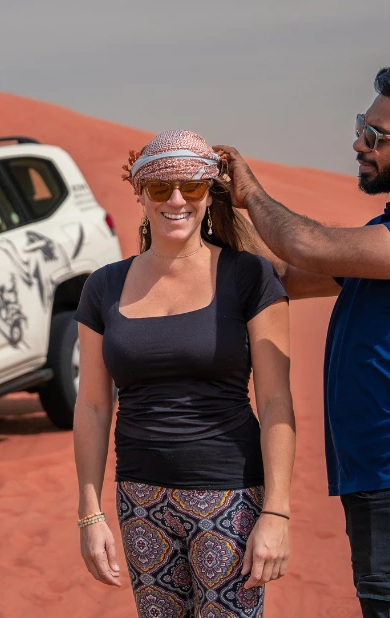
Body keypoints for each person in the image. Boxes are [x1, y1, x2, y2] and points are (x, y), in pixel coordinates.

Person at [213, 66, 390, 617]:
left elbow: (309, 246)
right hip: (378, 467)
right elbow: (290, 275)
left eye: (376, 136)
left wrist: (252, 193)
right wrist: (219, 209)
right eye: (361, 127)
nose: (358, 144)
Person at [73, 129, 296, 618]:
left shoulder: (249, 276)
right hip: (139, 497)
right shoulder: (103, 287)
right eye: (160, 188)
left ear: (209, 193)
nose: (176, 200)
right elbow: (91, 403)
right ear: (140, 194)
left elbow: (276, 400)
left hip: (230, 497)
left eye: (191, 188)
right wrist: (90, 514)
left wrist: (276, 512)